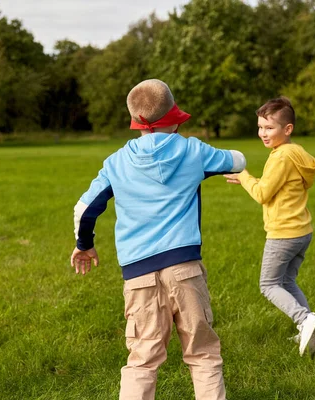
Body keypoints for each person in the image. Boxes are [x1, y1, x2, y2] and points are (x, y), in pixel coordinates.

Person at [70, 79, 246, 399]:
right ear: (174, 115)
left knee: (142, 361)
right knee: (203, 354)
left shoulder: (116, 163)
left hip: (138, 276)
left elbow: (84, 210)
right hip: (185, 269)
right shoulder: (193, 151)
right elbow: (238, 160)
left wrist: (84, 244)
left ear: (135, 121)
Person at [224, 97, 315, 356]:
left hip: (283, 233)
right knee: (287, 281)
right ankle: (308, 330)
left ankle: (305, 319)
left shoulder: (281, 157)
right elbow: (274, 187)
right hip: (302, 231)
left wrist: (244, 174)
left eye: (269, 128)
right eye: (260, 127)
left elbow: (262, 194)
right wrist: (249, 180)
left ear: (287, 129)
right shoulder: (296, 153)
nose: (262, 134)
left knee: (268, 284)